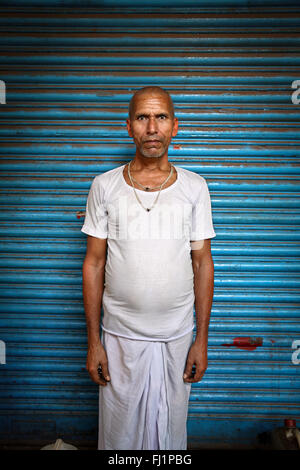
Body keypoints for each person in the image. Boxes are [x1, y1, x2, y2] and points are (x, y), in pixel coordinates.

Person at [81, 86, 216, 450]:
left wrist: (200, 340)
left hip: (176, 337)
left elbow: (202, 262)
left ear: (175, 126)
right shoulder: (105, 186)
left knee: (169, 437)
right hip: (120, 337)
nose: (152, 127)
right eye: (142, 117)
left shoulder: (194, 188)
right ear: (129, 127)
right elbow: (94, 263)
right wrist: (94, 341)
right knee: (118, 438)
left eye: (161, 117)